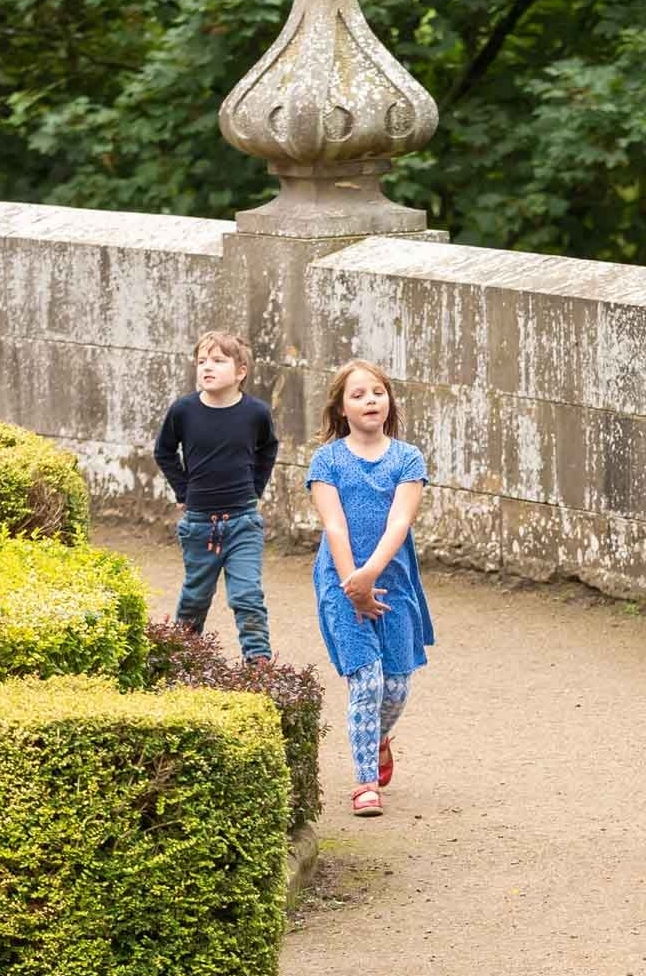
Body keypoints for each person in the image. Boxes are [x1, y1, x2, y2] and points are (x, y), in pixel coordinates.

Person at [307, 358, 436, 818]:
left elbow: (400, 520)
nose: (370, 401)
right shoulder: (327, 461)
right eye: (358, 395)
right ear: (342, 408)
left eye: (377, 392)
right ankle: (365, 783)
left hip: (393, 583)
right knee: (367, 681)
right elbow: (335, 527)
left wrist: (372, 575)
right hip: (339, 583)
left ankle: (379, 738)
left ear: (389, 401)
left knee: (396, 686)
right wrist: (352, 584)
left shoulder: (407, 458)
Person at [155, 331, 280, 661]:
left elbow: (268, 449)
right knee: (196, 595)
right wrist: (183, 491)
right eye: (201, 361)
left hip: (243, 523)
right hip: (198, 525)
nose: (207, 367)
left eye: (218, 361)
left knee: (247, 595)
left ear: (241, 372)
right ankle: (181, 658)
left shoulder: (256, 413)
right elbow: (164, 451)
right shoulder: (183, 411)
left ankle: (259, 665)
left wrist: (255, 488)